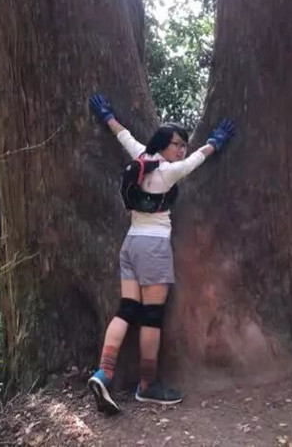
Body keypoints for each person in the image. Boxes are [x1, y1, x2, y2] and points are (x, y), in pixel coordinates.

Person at [85, 92, 236, 413]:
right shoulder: (168, 171)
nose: (182, 150)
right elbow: (199, 158)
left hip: (131, 245)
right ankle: (146, 385)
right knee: (151, 317)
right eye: (177, 144)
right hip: (153, 247)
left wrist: (107, 115)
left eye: (183, 144)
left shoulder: (142, 155)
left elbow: (123, 135)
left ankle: (103, 373)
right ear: (163, 144)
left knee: (127, 310)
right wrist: (216, 141)